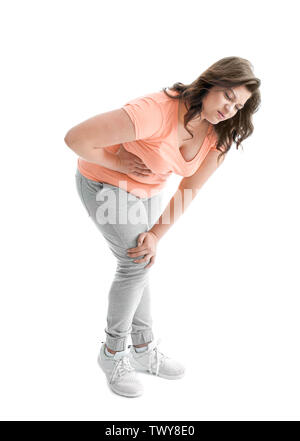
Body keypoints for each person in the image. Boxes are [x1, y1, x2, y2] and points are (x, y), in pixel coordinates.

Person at [64, 56, 261, 398]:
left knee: (143, 259)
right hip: (104, 183)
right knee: (135, 262)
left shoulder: (221, 135)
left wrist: (156, 234)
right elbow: (75, 139)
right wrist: (117, 160)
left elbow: (190, 189)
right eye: (228, 96)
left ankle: (142, 351)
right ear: (211, 83)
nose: (230, 109)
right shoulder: (155, 110)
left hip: (146, 190)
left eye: (239, 105)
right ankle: (112, 354)